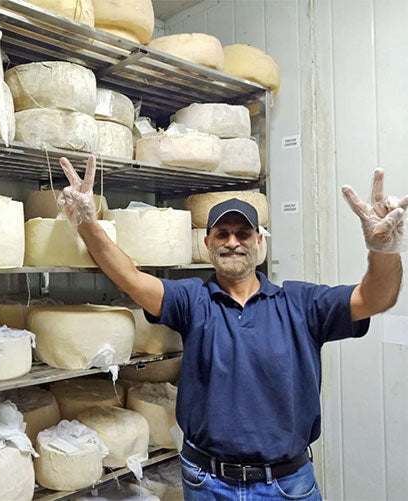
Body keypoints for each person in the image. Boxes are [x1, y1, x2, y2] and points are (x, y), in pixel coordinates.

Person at [56, 155, 406, 501]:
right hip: (208, 482)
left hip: (286, 484)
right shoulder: (193, 300)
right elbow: (131, 279)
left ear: (260, 244)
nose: (233, 242)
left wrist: (384, 249)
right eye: (222, 234)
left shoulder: (302, 303)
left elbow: (375, 298)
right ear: (207, 244)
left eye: (243, 234)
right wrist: (87, 221)